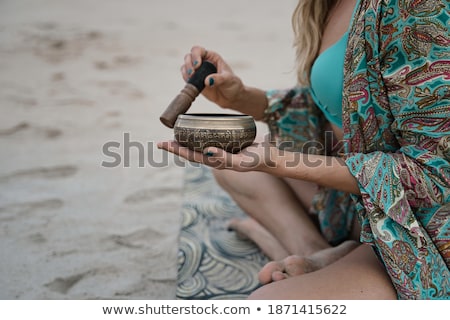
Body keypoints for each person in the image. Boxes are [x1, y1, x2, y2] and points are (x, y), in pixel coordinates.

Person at [158, 0, 450, 299]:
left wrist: (277, 161)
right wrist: (241, 97)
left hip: (421, 228)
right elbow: (348, 108)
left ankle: (308, 254)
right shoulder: (329, 4)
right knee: (234, 171)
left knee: (267, 305)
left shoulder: (419, 9)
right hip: (363, 201)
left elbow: (435, 175)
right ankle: (317, 253)